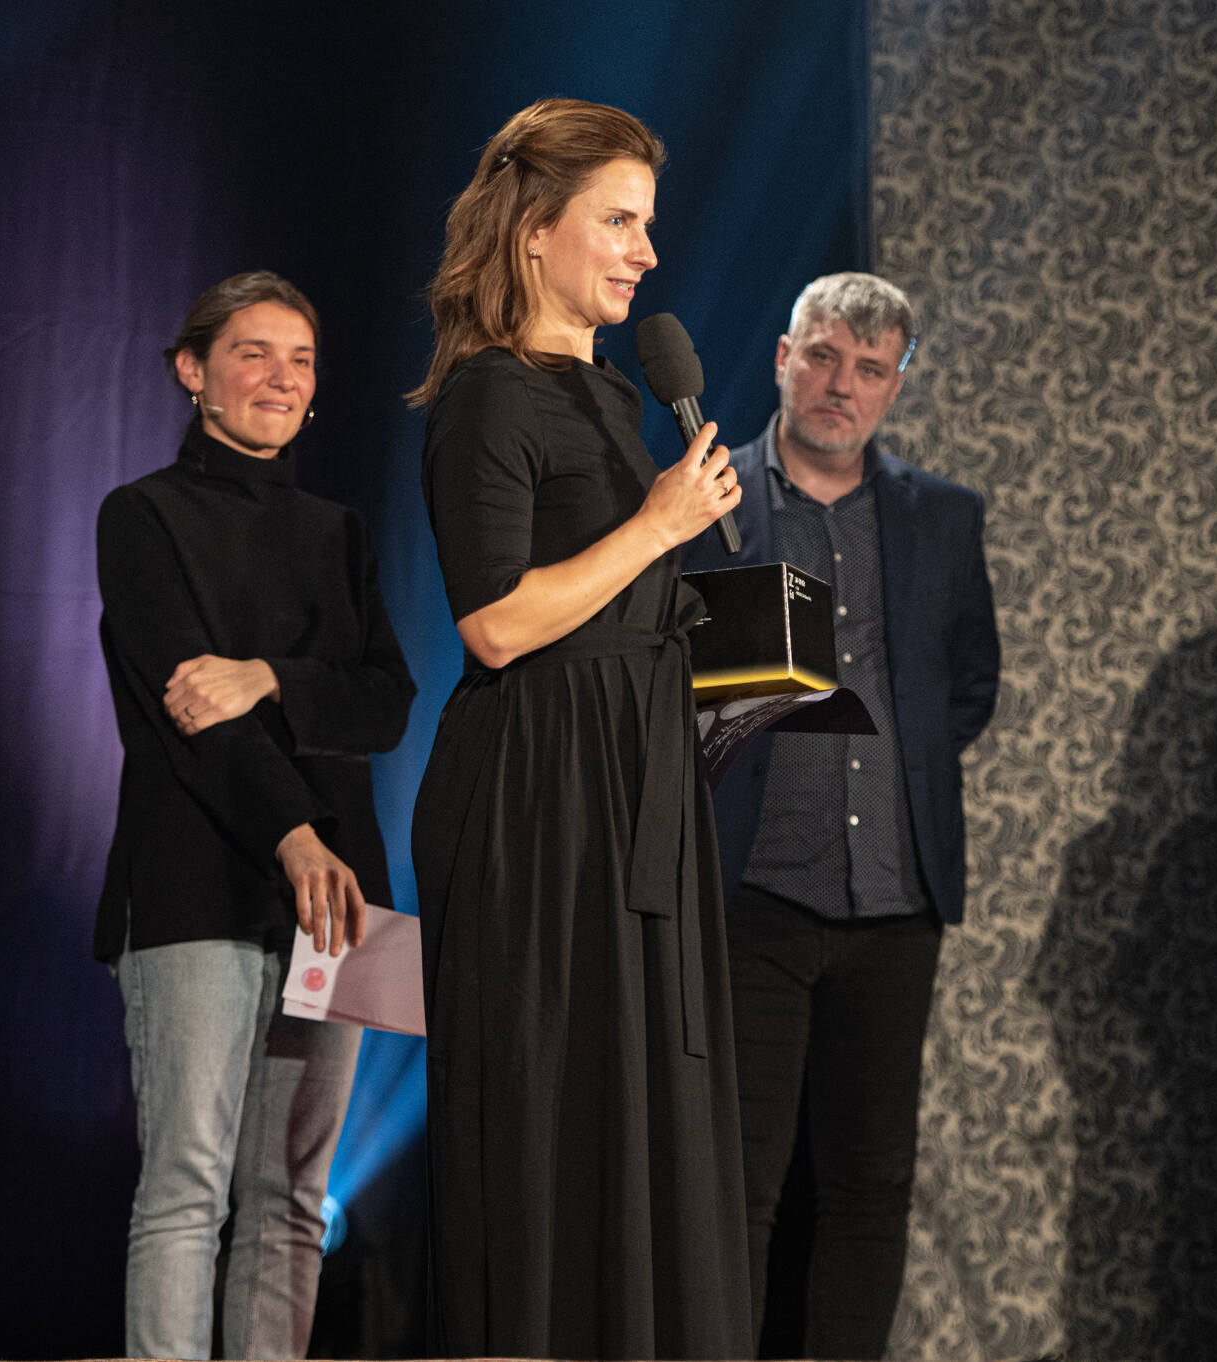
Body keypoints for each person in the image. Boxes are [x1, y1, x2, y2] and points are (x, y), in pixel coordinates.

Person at [408, 98, 752, 1359]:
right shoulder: (485, 399)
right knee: (549, 1109)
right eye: (617, 222)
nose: (644, 253)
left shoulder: (617, 397)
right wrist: (657, 527)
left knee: (644, 1102)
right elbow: (495, 624)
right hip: (537, 793)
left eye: (646, 226)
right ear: (533, 230)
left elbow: (623, 603)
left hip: (632, 775)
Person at [94, 271, 414, 1360]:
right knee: (188, 1184)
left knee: (293, 1196)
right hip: (197, 880)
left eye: (301, 360)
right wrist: (292, 834)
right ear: (193, 371)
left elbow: (387, 702)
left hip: (337, 898)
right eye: (253, 353)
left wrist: (271, 675)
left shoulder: (337, 531)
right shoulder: (141, 516)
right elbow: (188, 713)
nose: (281, 378)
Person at [681, 271, 999, 1358]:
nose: (840, 384)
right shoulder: (707, 502)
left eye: (869, 368)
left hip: (895, 903)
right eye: (822, 356)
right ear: (783, 357)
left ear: (895, 385)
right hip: (752, 892)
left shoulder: (943, 516)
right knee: (739, 1179)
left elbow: (969, 683)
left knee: (870, 1183)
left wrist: (894, 764)